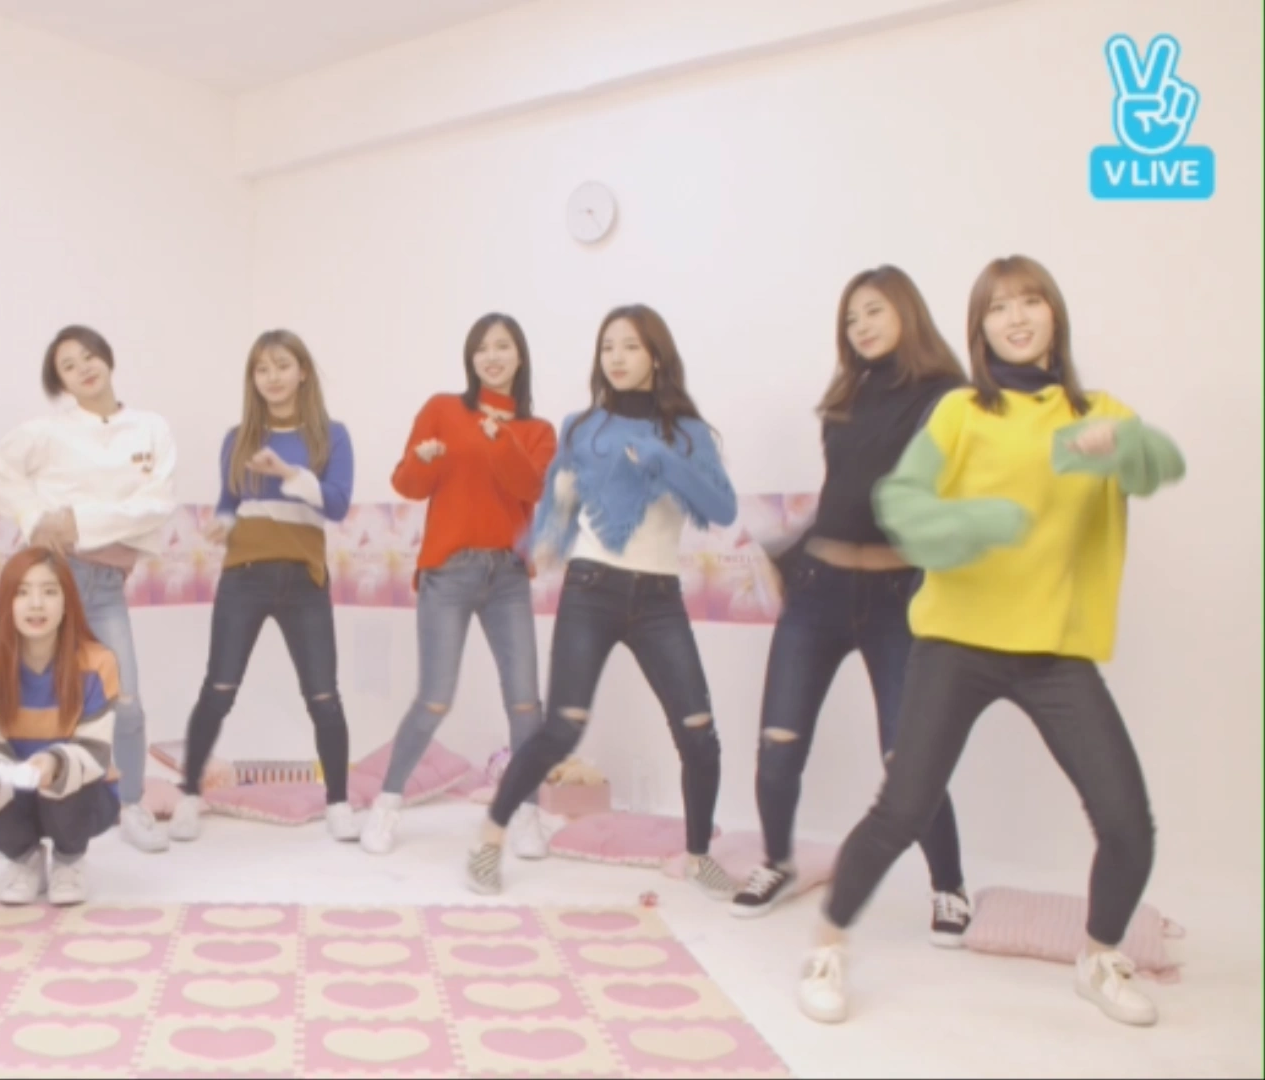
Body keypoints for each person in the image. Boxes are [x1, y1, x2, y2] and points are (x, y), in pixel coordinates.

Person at [797, 255, 1185, 1027]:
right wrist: (970, 523)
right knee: (902, 809)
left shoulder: (1096, 411)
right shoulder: (961, 413)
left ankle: (1099, 957)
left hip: (1054, 652)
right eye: (998, 308)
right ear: (979, 328)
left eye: (1029, 301)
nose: (1016, 318)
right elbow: (902, 501)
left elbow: (1160, 464)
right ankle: (829, 944)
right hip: (957, 645)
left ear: (1053, 314)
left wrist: (1121, 445)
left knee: (1126, 823)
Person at [734, 266, 972, 946]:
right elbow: (845, 492)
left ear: (906, 312)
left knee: (907, 756)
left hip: (897, 599)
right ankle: (777, 862)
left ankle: (948, 883)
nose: (860, 326)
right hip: (819, 593)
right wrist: (788, 554)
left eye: (873, 311)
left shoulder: (947, 398)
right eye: (850, 318)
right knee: (779, 743)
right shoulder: (847, 396)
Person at [466, 305, 738, 897]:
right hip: (590, 590)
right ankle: (489, 838)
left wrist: (664, 461)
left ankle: (698, 856)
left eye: (631, 346)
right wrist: (547, 531)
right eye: (608, 346)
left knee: (699, 733)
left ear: (656, 357)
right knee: (561, 730)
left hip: (659, 598)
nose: (616, 357)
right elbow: (559, 505)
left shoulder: (687, 433)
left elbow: (721, 507)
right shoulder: (581, 427)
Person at [362, 313, 556, 856]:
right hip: (448, 573)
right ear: (471, 359)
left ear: (520, 356)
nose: (491, 356)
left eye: (502, 346)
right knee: (434, 698)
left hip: (508, 577)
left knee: (525, 703)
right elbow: (408, 484)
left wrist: (500, 438)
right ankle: (386, 805)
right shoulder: (443, 410)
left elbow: (530, 487)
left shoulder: (537, 431)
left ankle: (525, 814)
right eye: (481, 348)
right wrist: (421, 460)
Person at [0, 325, 177, 854]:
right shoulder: (47, 432)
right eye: (68, 366)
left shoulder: (151, 428)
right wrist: (35, 518)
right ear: (60, 382)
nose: (83, 369)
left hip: (106, 584)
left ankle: (131, 805)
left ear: (107, 359)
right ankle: (22, 814)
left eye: (89, 356)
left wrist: (78, 521)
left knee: (127, 703)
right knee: (34, 701)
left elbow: (156, 505)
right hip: (53, 578)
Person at [169, 330, 358, 843]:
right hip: (244, 577)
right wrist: (222, 524)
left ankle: (339, 803)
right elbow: (230, 502)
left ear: (303, 372)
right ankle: (189, 796)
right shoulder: (239, 438)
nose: (272, 377)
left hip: (305, 580)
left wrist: (289, 472)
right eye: (261, 369)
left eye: (281, 365)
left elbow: (337, 504)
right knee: (218, 690)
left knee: (324, 696)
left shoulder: (331, 435)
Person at [0, 548, 123, 905]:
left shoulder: (98, 662)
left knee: (71, 778)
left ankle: (68, 860)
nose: (36, 604)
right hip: (15, 793)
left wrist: (52, 765)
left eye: (49, 591)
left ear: (67, 601)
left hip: (81, 799)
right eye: (22, 592)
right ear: (7, 603)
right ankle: (25, 860)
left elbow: (95, 752)